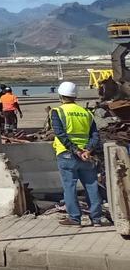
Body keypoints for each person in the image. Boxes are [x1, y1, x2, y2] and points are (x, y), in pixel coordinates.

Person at [51, 81, 110, 226]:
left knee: (69, 187)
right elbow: (95, 135)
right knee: (91, 185)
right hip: (86, 156)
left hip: (67, 154)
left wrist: (76, 151)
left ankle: (75, 218)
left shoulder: (57, 112)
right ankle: (96, 219)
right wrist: (87, 150)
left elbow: (60, 134)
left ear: (60, 96)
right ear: (75, 96)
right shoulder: (86, 113)